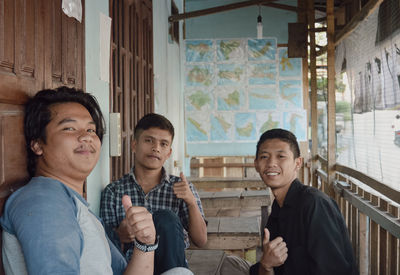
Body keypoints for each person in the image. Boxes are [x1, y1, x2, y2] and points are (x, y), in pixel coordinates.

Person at [0, 87, 157, 275]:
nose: (87, 136)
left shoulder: (72, 202)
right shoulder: (43, 199)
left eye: (91, 129)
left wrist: (145, 244)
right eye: (69, 128)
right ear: (37, 145)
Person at [221, 128, 358, 275]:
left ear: (297, 163)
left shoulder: (315, 204)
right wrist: (266, 265)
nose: (271, 163)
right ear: (256, 164)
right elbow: (269, 266)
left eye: (281, 156)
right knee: (228, 263)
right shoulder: (279, 206)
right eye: (264, 157)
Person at [100, 113, 207, 275]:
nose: (156, 148)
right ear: (134, 145)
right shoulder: (114, 191)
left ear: (169, 153)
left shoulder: (182, 188)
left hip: (170, 266)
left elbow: (201, 240)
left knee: (165, 217)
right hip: (132, 267)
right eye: (149, 140)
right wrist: (120, 235)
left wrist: (191, 202)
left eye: (163, 144)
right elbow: (103, 248)